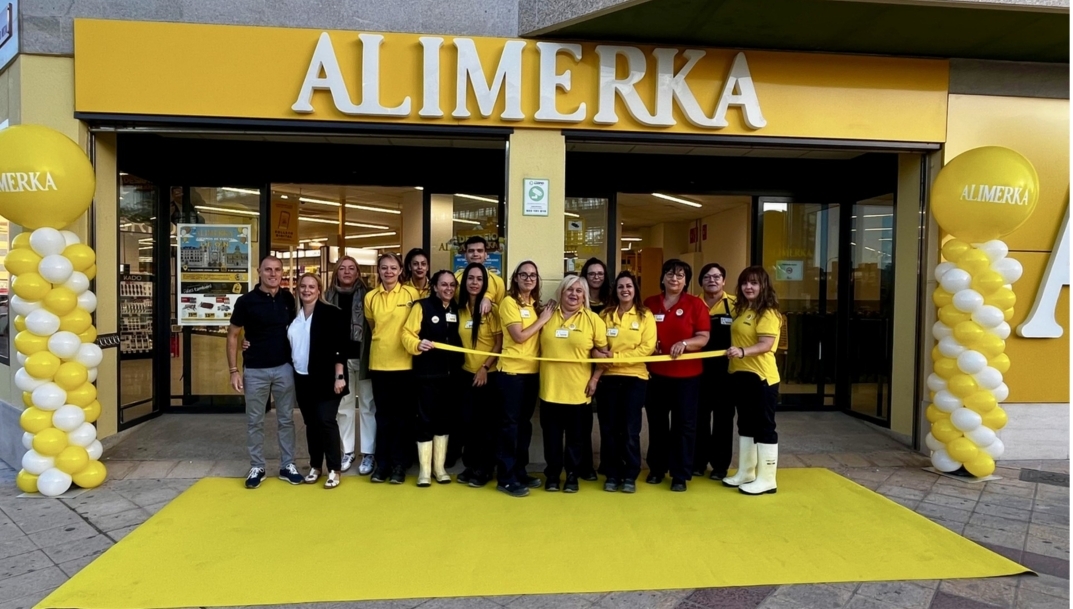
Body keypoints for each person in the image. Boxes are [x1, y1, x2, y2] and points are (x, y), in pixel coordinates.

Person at [226, 255, 303, 489]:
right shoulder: (246, 301)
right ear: (259, 272)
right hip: (255, 370)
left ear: (282, 273)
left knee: (286, 420)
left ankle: (287, 465)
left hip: (284, 368)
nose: (273, 274)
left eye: (277, 270)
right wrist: (233, 370)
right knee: (255, 421)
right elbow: (232, 335)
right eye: (268, 270)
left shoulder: (288, 299)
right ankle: (257, 466)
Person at [642, 259, 711, 492]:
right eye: (670, 274)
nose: (674, 279)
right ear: (662, 278)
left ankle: (680, 473)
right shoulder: (650, 303)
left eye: (680, 275)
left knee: (684, 425)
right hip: (656, 375)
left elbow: (703, 337)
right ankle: (657, 468)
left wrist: (685, 343)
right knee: (657, 423)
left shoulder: (695, 305)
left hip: (687, 377)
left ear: (686, 281)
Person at [538, 275, 608, 493]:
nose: (574, 294)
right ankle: (552, 475)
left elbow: (604, 356)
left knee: (576, 440)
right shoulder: (547, 316)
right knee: (551, 439)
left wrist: (595, 379)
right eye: (569, 290)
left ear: (585, 296)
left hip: (579, 391)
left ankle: (571, 476)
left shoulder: (593, 320)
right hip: (550, 390)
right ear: (561, 292)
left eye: (579, 291)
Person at [495, 260, 555, 496]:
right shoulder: (509, 303)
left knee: (524, 426)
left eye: (533, 275)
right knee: (509, 427)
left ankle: (519, 471)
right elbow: (519, 337)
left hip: (531, 373)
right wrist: (543, 320)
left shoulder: (533, 304)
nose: (529, 279)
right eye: (524, 275)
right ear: (516, 279)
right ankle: (506, 477)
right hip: (512, 374)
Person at [722, 266, 782, 496]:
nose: (749, 287)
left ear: (763, 286)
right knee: (745, 424)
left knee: (764, 426)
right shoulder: (743, 309)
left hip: (761, 378)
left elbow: (766, 344)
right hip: (740, 375)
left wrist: (743, 351)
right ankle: (746, 472)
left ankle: (767, 479)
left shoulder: (768, 312)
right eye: (745, 283)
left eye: (754, 283)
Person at [596, 271, 656, 493]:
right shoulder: (605, 315)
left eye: (629, 286)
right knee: (609, 428)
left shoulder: (645, 315)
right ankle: (612, 473)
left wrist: (617, 358)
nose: (625, 290)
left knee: (630, 429)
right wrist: (605, 357)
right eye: (621, 287)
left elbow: (646, 348)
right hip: (608, 378)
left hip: (635, 378)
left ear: (635, 289)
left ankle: (630, 474)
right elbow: (598, 343)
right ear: (615, 290)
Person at [402, 270, 463, 487]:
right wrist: (417, 344)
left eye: (452, 285)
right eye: (443, 285)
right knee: (425, 420)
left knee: (444, 421)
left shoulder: (457, 308)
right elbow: (407, 334)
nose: (448, 289)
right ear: (435, 287)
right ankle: (425, 471)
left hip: (451, 376)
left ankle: (440, 468)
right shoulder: (421, 307)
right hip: (427, 375)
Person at [288, 273, 348, 489]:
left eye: (311, 286)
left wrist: (339, 376)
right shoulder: (293, 315)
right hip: (302, 378)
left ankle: (334, 468)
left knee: (326, 420)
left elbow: (340, 347)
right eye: (302, 286)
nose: (306, 290)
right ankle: (315, 465)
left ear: (319, 289)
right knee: (311, 424)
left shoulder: (331, 313)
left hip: (328, 378)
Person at [364, 253, 420, 484]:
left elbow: (416, 325)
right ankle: (382, 465)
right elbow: (373, 326)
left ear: (400, 271)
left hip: (405, 364)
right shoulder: (370, 297)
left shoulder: (411, 294)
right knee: (383, 417)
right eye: (384, 268)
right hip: (379, 364)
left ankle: (399, 465)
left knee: (402, 418)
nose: (388, 272)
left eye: (393, 268)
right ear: (379, 270)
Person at [324, 256, 377, 476]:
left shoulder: (369, 296)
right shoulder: (327, 297)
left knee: (368, 406)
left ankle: (368, 453)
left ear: (358, 273)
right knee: (344, 408)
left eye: (351, 268)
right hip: (339, 361)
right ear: (336, 272)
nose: (347, 272)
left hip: (364, 357)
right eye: (342, 268)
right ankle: (347, 451)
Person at [455, 263, 504, 491]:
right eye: (470, 279)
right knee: (468, 424)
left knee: (487, 426)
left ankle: (484, 467)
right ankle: (471, 465)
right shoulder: (460, 309)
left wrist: (485, 367)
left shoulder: (491, 310)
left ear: (485, 284)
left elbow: (499, 343)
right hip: (466, 375)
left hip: (488, 375)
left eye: (479, 279)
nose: (475, 283)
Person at [695, 263, 737, 480]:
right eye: (707, 277)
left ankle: (720, 465)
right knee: (698, 418)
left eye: (717, 276)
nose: (712, 280)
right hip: (697, 370)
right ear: (701, 281)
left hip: (725, 372)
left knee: (723, 420)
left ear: (724, 281)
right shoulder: (693, 303)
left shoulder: (736, 305)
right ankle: (698, 462)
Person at [578, 257, 610, 482]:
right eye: (592, 273)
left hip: (607, 367)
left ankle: (608, 463)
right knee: (582, 420)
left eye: (600, 273)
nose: (596, 277)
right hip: (580, 368)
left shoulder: (612, 301)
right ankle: (585, 464)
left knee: (608, 419)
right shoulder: (577, 300)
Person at [455, 236, 506, 314]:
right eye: (471, 251)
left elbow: (500, 310)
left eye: (479, 251)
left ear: (485, 255)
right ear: (465, 255)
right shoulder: (455, 278)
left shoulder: (498, 281)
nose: (475, 254)